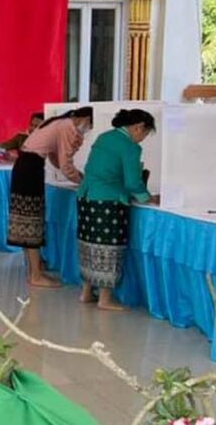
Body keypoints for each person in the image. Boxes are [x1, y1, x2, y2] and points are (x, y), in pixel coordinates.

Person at [77, 109, 158, 311]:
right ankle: (105, 298)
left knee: (89, 245)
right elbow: (132, 182)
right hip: (108, 201)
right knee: (108, 248)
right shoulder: (130, 146)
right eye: (145, 134)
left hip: (87, 197)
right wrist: (147, 198)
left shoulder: (105, 137)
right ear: (138, 127)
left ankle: (86, 292)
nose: (142, 139)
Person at [7, 106, 93, 288]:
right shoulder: (68, 127)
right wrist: (83, 181)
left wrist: (74, 174)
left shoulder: (58, 122)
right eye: (90, 124)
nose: (88, 129)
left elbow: (56, 158)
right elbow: (64, 163)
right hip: (30, 169)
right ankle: (36, 276)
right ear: (84, 119)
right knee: (31, 222)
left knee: (26, 221)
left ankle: (34, 271)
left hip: (25, 166)